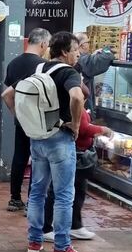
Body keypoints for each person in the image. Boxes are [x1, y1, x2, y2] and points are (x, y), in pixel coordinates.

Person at [25, 31, 91, 252]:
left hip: (38, 137)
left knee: (37, 192)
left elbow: (9, 94)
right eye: (75, 50)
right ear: (64, 52)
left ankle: (34, 241)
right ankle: (62, 248)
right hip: (60, 139)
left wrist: (27, 123)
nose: (78, 54)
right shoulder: (68, 72)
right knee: (64, 195)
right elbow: (76, 97)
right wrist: (74, 125)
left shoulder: (40, 69)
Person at [43, 99, 112, 242]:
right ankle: (47, 229)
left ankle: (75, 225)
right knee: (57, 191)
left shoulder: (76, 103)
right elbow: (83, 129)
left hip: (75, 152)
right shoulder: (74, 103)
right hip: (69, 150)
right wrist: (102, 130)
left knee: (78, 188)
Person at [1, 28, 51, 211]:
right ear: (43, 44)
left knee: (20, 157)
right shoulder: (44, 66)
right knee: (38, 159)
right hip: (38, 120)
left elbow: (8, 94)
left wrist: (16, 113)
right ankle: (33, 201)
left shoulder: (13, 63)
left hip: (21, 119)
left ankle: (14, 198)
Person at [75, 32, 114, 112]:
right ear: (82, 45)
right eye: (88, 42)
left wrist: (93, 55)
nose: (89, 45)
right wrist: (106, 50)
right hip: (83, 108)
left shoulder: (80, 59)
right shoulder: (82, 60)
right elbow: (104, 58)